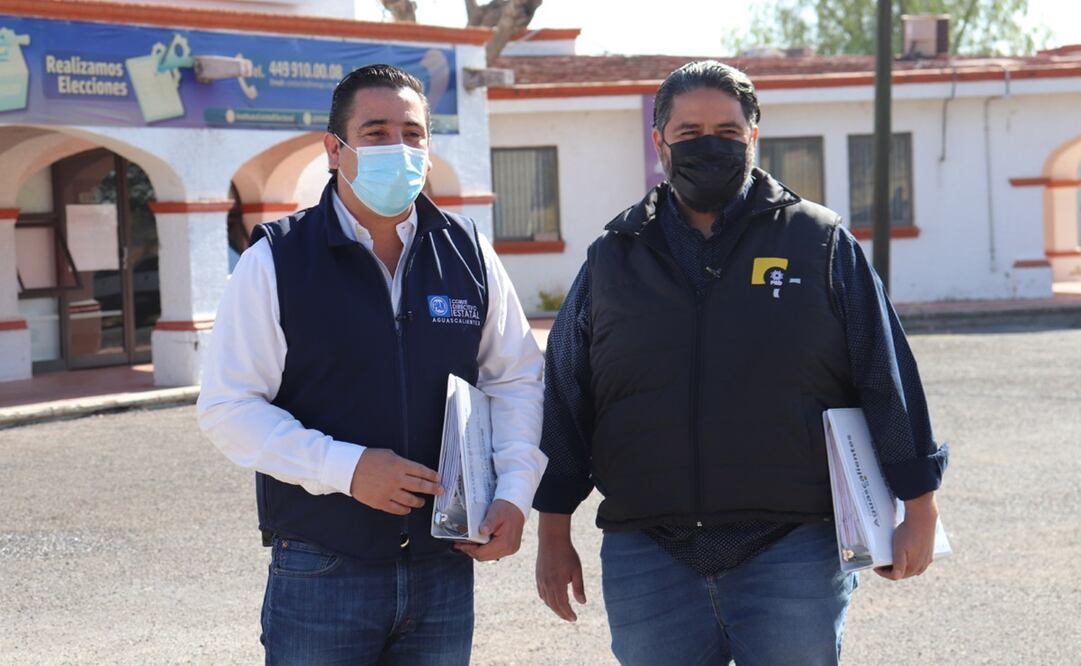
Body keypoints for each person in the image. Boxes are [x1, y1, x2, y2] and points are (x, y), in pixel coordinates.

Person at [533, 60, 948, 666]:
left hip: (791, 549)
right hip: (649, 553)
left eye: (728, 133)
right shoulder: (611, 259)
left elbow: (885, 377)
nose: (710, 146)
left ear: (755, 135)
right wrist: (552, 531)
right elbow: (567, 396)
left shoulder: (821, 243)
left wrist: (920, 506)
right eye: (690, 132)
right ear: (660, 142)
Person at [197, 64, 546, 665]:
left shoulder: (470, 253)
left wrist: (514, 492)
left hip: (444, 569)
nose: (398, 148)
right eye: (377, 132)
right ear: (335, 149)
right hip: (323, 567)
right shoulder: (276, 261)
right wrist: (348, 467)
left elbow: (514, 379)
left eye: (413, 134)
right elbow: (228, 408)